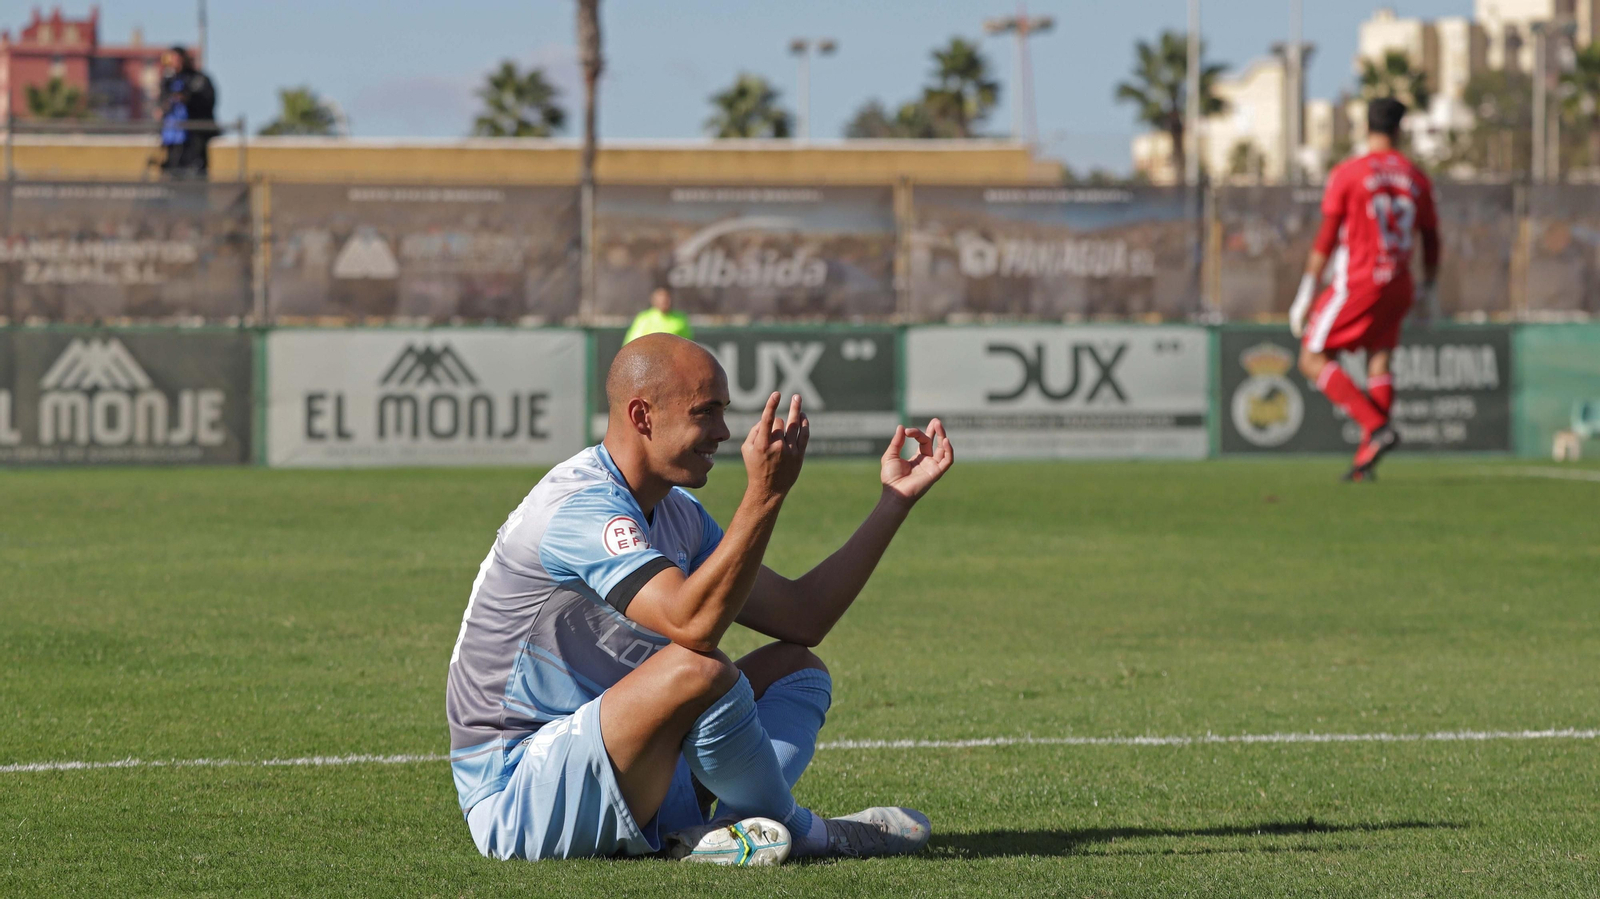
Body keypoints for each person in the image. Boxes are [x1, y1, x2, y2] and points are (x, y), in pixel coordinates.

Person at [445, 333, 954, 864]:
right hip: (521, 793)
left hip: (625, 757)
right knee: (698, 668)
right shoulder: (579, 506)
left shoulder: (676, 510)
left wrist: (894, 501)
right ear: (643, 415)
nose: (724, 432)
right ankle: (808, 833)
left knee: (796, 668)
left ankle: (726, 836)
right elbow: (694, 628)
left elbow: (803, 618)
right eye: (705, 413)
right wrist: (766, 493)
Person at [1289, 97, 1439, 482]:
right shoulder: (1416, 177)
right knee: (1379, 361)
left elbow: (1326, 236)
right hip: (1400, 282)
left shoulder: (1349, 173)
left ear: (1365, 127)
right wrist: (1431, 288)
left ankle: (1376, 426)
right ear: (1400, 130)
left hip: (1360, 281)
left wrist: (1306, 291)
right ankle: (1364, 462)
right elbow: (1432, 237)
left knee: (1310, 358)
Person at [158, 47, 219, 179]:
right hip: (172, 139)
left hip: (193, 138)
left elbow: (207, 102)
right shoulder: (168, 81)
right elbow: (162, 103)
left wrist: (187, 98)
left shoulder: (198, 79)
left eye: (177, 60)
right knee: (172, 173)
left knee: (195, 175)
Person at [624, 287, 693, 344]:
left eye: (666, 299)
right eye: (661, 299)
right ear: (654, 301)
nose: (664, 302)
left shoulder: (680, 318)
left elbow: (688, 342)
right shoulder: (644, 318)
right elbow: (632, 342)